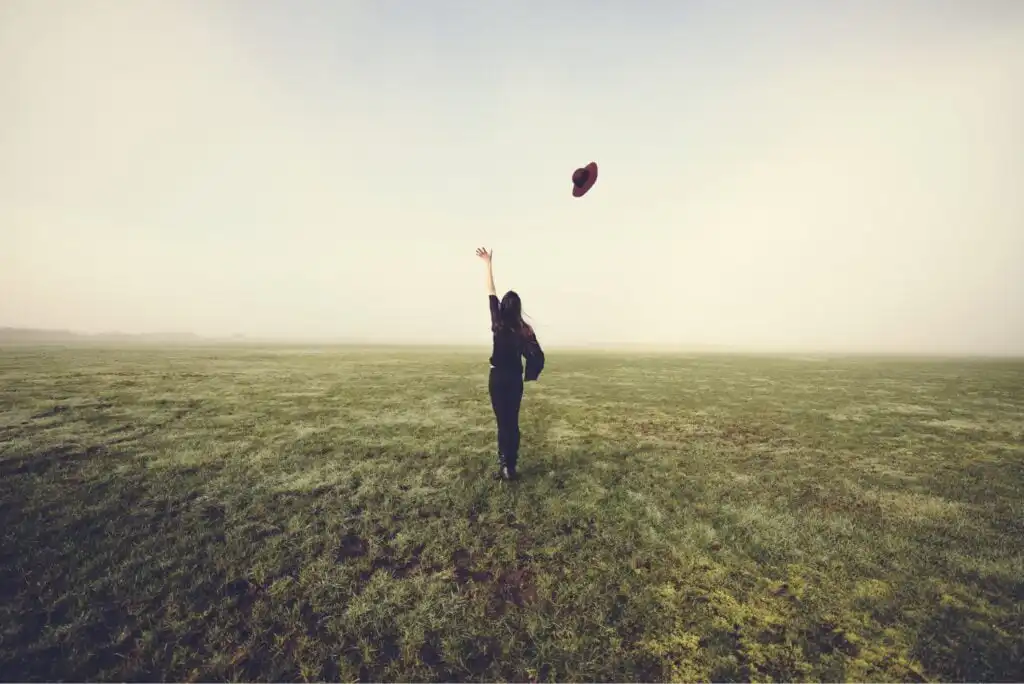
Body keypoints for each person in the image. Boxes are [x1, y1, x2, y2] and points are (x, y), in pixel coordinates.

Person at [475, 247, 545, 481]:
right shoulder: (524, 329)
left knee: (502, 422)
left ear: (503, 307)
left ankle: (505, 464)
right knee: (512, 421)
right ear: (518, 308)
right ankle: (510, 465)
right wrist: (531, 373)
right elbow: (537, 355)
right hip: (514, 379)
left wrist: (488, 263)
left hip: (497, 378)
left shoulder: (498, 323)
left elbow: (490, 290)